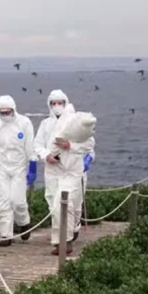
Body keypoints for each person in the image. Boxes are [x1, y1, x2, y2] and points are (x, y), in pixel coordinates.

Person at [34, 89, 96, 255]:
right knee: (53, 207)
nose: (57, 106)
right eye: (53, 103)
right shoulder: (45, 124)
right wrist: (46, 155)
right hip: (52, 170)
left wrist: (71, 147)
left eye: (60, 102)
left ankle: (65, 241)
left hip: (71, 171)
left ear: (66, 102)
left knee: (65, 204)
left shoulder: (76, 123)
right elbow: (37, 144)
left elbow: (89, 144)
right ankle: (63, 238)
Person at [0, 95, 37, 246]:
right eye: (2, 112)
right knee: (2, 202)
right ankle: (5, 234)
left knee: (17, 201)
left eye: (8, 112)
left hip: (19, 167)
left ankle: (23, 222)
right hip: (2, 168)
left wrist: (32, 166)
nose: (5, 115)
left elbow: (30, 146)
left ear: (13, 110)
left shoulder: (24, 123)